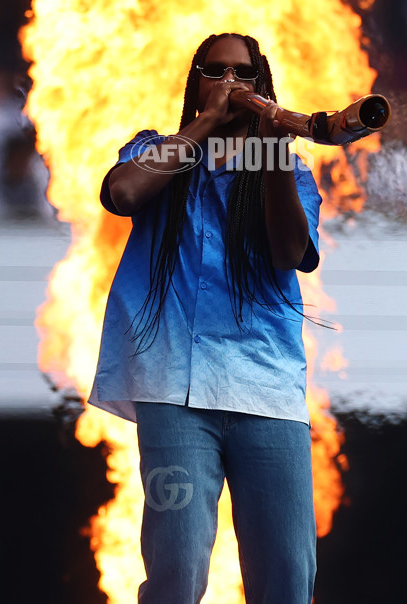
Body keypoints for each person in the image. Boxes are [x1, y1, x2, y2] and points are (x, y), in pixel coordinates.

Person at [90, 32, 322, 604]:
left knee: (288, 578)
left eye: (241, 74)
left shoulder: (287, 170)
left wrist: (268, 149)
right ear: (195, 82)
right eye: (214, 71)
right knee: (176, 574)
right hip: (173, 390)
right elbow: (121, 193)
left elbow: (291, 253)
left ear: (261, 85)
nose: (228, 83)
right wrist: (200, 126)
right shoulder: (157, 147)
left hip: (265, 389)